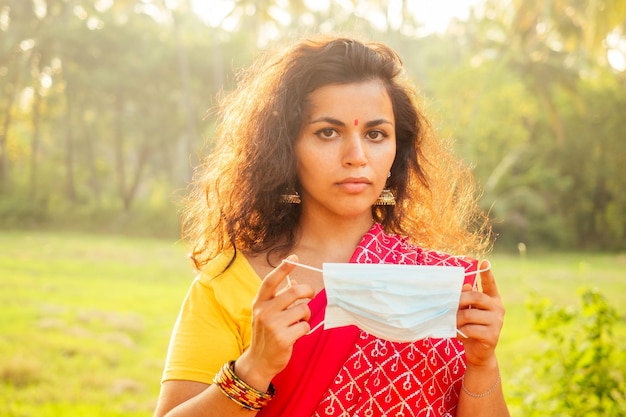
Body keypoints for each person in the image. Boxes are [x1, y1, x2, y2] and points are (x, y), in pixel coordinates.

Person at [154, 34, 509, 417]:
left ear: (396, 150)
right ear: (285, 146)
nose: (356, 156)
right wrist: (255, 367)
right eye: (328, 132)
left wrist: (482, 362)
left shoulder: (439, 285)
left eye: (375, 134)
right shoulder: (230, 282)